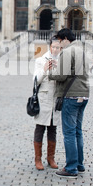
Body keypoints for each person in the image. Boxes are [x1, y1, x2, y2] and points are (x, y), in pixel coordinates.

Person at [49, 28, 90, 179]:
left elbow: (61, 75)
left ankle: (71, 167)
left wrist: (50, 73)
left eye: (60, 41)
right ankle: (79, 164)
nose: (59, 44)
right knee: (78, 131)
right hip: (84, 94)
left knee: (69, 133)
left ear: (65, 38)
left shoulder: (68, 52)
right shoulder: (82, 50)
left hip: (71, 95)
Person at [32, 36, 62, 170]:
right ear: (50, 47)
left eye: (58, 47)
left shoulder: (62, 60)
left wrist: (59, 69)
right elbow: (35, 81)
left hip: (55, 99)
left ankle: (51, 157)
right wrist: (44, 69)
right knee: (40, 129)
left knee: (52, 129)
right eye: (53, 47)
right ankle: (37, 159)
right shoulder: (40, 60)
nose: (55, 49)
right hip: (43, 99)